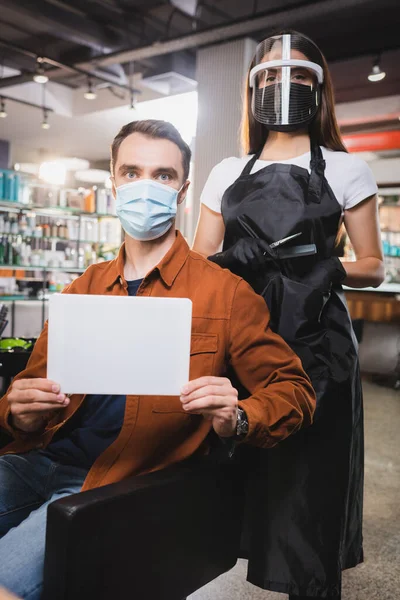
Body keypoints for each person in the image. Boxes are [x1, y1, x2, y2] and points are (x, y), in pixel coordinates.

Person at [0, 119, 316, 600]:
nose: (145, 186)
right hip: (36, 459)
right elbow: (27, 393)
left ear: (183, 191)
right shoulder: (85, 286)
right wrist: (16, 409)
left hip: (113, 483)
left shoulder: (226, 293)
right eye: (131, 171)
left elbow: (295, 391)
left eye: (163, 175)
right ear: (113, 183)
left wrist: (239, 415)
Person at [193, 31, 384, 600]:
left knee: (311, 478)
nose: (283, 85)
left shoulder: (349, 170)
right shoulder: (227, 171)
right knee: (240, 461)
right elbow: (200, 261)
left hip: (319, 342)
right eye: (270, 75)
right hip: (244, 336)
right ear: (252, 87)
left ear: (319, 87)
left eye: (299, 74)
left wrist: (333, 267)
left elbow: (373, 265)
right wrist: (231, 258)